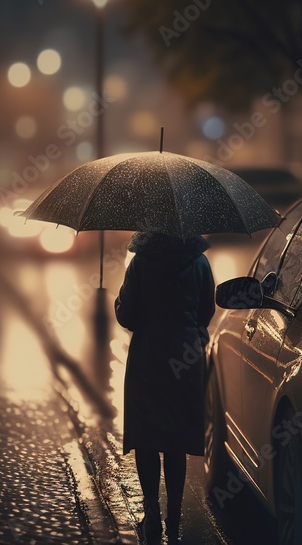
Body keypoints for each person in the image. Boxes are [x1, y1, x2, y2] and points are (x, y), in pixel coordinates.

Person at [114, 232, 215, 543]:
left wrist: (119, 303)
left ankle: (151, 511)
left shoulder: (141, 262)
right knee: (175, 437)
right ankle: (174, 514)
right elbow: (206, 310)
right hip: (185, 353)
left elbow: (127, 314)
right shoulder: (199, 261)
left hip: (149, 352)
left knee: (146, 435)